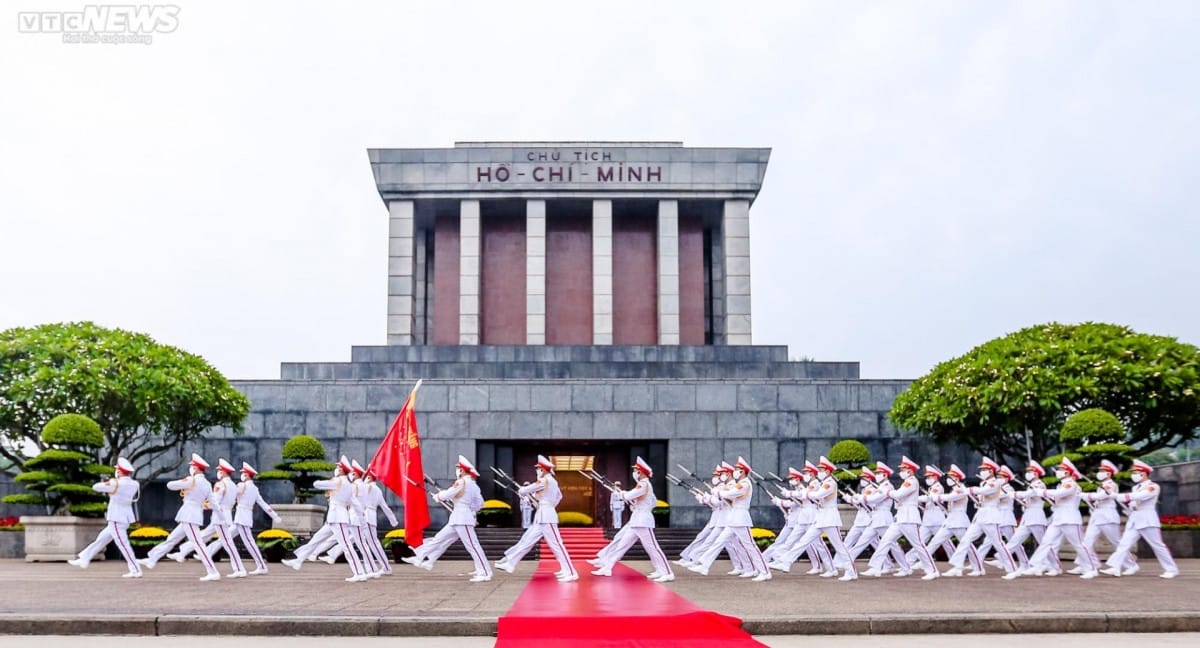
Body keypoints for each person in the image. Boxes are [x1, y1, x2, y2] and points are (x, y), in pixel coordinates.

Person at [402, 455, 492, 582]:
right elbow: (480, 503)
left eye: (458, 468)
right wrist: (468, 508)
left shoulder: (461, 482)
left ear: (462, 470)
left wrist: (439, 496)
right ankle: (420, 555)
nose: (457, 471)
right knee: (439, 538)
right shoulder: (473, 484)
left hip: (462, 519)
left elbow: (448, 494)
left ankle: (485, 572)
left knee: (472, 545)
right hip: (458, 517)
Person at [1008, 457, 1098, 579]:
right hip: (1058, 519)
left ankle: (1091, 568)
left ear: (1067, 472)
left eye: (1060, 470)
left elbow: (1059, 494)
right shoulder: (1060, 485)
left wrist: (1042, 492)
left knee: (1078, 545)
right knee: (1046, 542)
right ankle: (1035, 565)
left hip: (1070, 519)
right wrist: (1044, 495)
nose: (1058, 472)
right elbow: (1055, 500)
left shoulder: (1071, 484)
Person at [139, 454, 222, 581]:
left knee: (198, 544)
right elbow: (214, 503)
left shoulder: (191, 480)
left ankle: (212, 571)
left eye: (192, 466)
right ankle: (152, 559)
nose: (191, 469)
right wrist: (222, 516)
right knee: (172, 539)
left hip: (190, 515)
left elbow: (170, 485)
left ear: (196, 468)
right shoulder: (206, 484)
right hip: (191, 514)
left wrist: (184, 482)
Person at [495, 455, 578, 582]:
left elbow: (528, 489)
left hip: (547, 517)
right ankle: (511, 563)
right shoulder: (551, 481)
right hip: (543, 515)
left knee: (557, 545)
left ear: (543, 469)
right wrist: (548, 503)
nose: (537, 471)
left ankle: (571, 572)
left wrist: (523, 490)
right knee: (528, 540)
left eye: (538, 468)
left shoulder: (545, 480)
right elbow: (559, 496)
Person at [590, 457, 674, 582]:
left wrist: (622, 494)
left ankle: (667, 572)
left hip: (643, 520)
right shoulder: (643, 485)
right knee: (622, 545)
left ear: (641, 472)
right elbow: (650, 501)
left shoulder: (644, 484)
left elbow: (631, 495)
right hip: (636, 519)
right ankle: (607, 567)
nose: (635, 473)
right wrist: (629, 498)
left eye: (636, 470)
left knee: (652, 547)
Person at [688, 457, 771, 581]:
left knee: (750, 546)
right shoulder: (740, 484)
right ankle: (704, 565)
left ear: (743, 471)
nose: (735, 471)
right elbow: (728, 497)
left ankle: (765, 571)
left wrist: (719, 492)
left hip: (741, 518)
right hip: (733, 518)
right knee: (719, 541)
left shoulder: (745, 484)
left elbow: (729, 494)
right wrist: (718, 493)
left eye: (737, 469)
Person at [1101, 459, 1179, 579]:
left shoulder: (1153, 486)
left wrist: (1117, 496)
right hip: (1135, 519)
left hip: (1147, 519)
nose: (1134, 475)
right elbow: (1134, 502)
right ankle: (1115, 567)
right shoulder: (1136, 487)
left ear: (1143, 473)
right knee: (1123, 544)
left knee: (1157, 545)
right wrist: (1129, 507)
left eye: (1136, 472)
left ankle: (1171, 569)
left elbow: (1141, 496)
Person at [864, 456, 939, 579]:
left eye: (904, 469)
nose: (901, 472)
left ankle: (932, 570)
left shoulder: (912, 481)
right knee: (886, 540)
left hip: (909, 517)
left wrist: (887, 492)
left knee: (918, 545)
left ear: (910, 470)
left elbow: (899, 494)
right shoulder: (907, 481)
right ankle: (877, 567)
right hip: (901, 516)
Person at [944, 457, 1019, 578]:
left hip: (990, 516)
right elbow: (981, 495)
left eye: (984, 469)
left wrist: (967, 490)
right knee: (966, 540)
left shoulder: (995, 482)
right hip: (980, 515)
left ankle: (1012, 569)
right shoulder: (983, 482)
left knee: (998, 543)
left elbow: (984, 491)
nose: (981, 472)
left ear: (990, 471)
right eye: (982, 469)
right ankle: (960, 567)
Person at [68, 457, 142, 578]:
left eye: (117, 470)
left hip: (116, 517)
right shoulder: (134, 484)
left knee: (123, 545)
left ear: (120, 471)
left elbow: (96, 487)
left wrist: (110, 482)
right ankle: (85, 558)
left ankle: (135, 569)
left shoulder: (115, 483)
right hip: (125, 516)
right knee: (101, 539)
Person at [1074, 459, 1136, 575]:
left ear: (1108, 474)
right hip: (1097, 515)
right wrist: (1092, 501)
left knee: (1116, 542)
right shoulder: (1102, 485)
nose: (1100, 473)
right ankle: (1087, 564)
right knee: (1087, 541)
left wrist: (1085, 495)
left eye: (1102, 471)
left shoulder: (1111, 485)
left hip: (1108, 516)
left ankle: (1131, 565)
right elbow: (1098, 499)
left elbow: (1102, 496)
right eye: (1100, 471)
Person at [921, 464, 983, 574]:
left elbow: (952, 497)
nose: (948, 480)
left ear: (956, 478)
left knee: (967, 545)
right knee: (935, 541)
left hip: (959, 521)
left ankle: (978, 568)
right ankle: (924, 561)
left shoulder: (960, 489)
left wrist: (939, 497)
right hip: (950, 520)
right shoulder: (954, 489)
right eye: (948, 478)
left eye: (951, 478)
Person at [231, 461, 280, 575]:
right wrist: (274, 515)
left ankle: (261, 566)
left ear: (247, 475)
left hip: (242, 517)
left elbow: (230, 494)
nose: (242, 475)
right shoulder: (254, 488)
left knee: (249, 542)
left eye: (243, 473)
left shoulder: (242, 485)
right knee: (225, 538)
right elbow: (263, 504)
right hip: (244, 516)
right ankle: (207, 552)